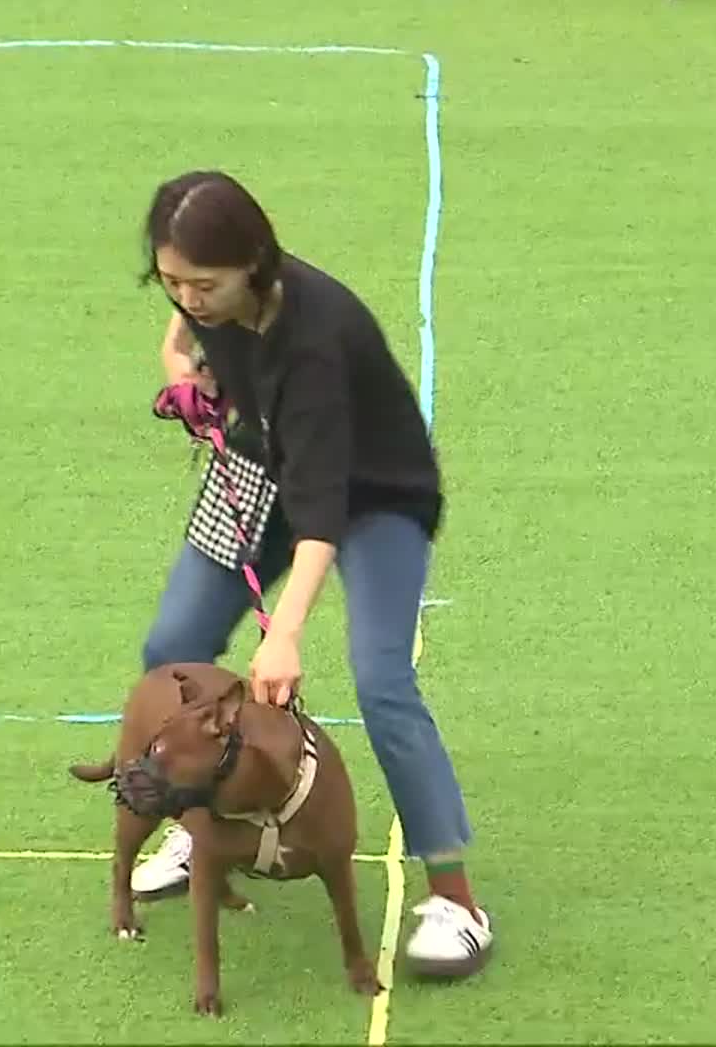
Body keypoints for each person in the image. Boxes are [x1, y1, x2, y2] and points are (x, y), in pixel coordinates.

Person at [129, 169, 492, 979]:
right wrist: (183, 364)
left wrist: (284, 635)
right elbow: (182, 335)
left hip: (370, 498)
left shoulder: (317, 339)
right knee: (175, 646)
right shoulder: (205, 300)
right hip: (263, 467)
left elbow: (323, 512)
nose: (188, 298)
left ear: (253, 264)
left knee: (381, 679)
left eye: (204, 284)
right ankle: (205, 830)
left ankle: (458, 901)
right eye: (173, 281)